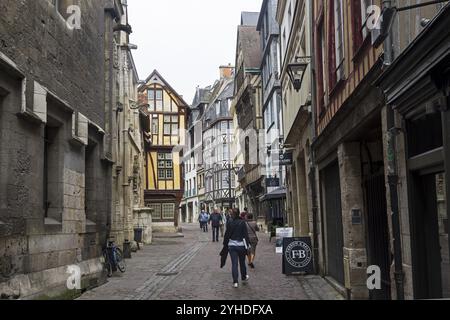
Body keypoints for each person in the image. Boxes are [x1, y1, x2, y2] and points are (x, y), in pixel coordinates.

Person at [223, 208, 250, 288]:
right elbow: (245, 235)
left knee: (234, 264)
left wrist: (225, 244)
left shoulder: (230, 222)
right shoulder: (242, 222)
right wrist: (247, 245)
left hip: (232, 246)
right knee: (242, 262)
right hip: (241, 245)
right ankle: (243, 277)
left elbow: (227, 234)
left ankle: (235, 282)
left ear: (232, 214)